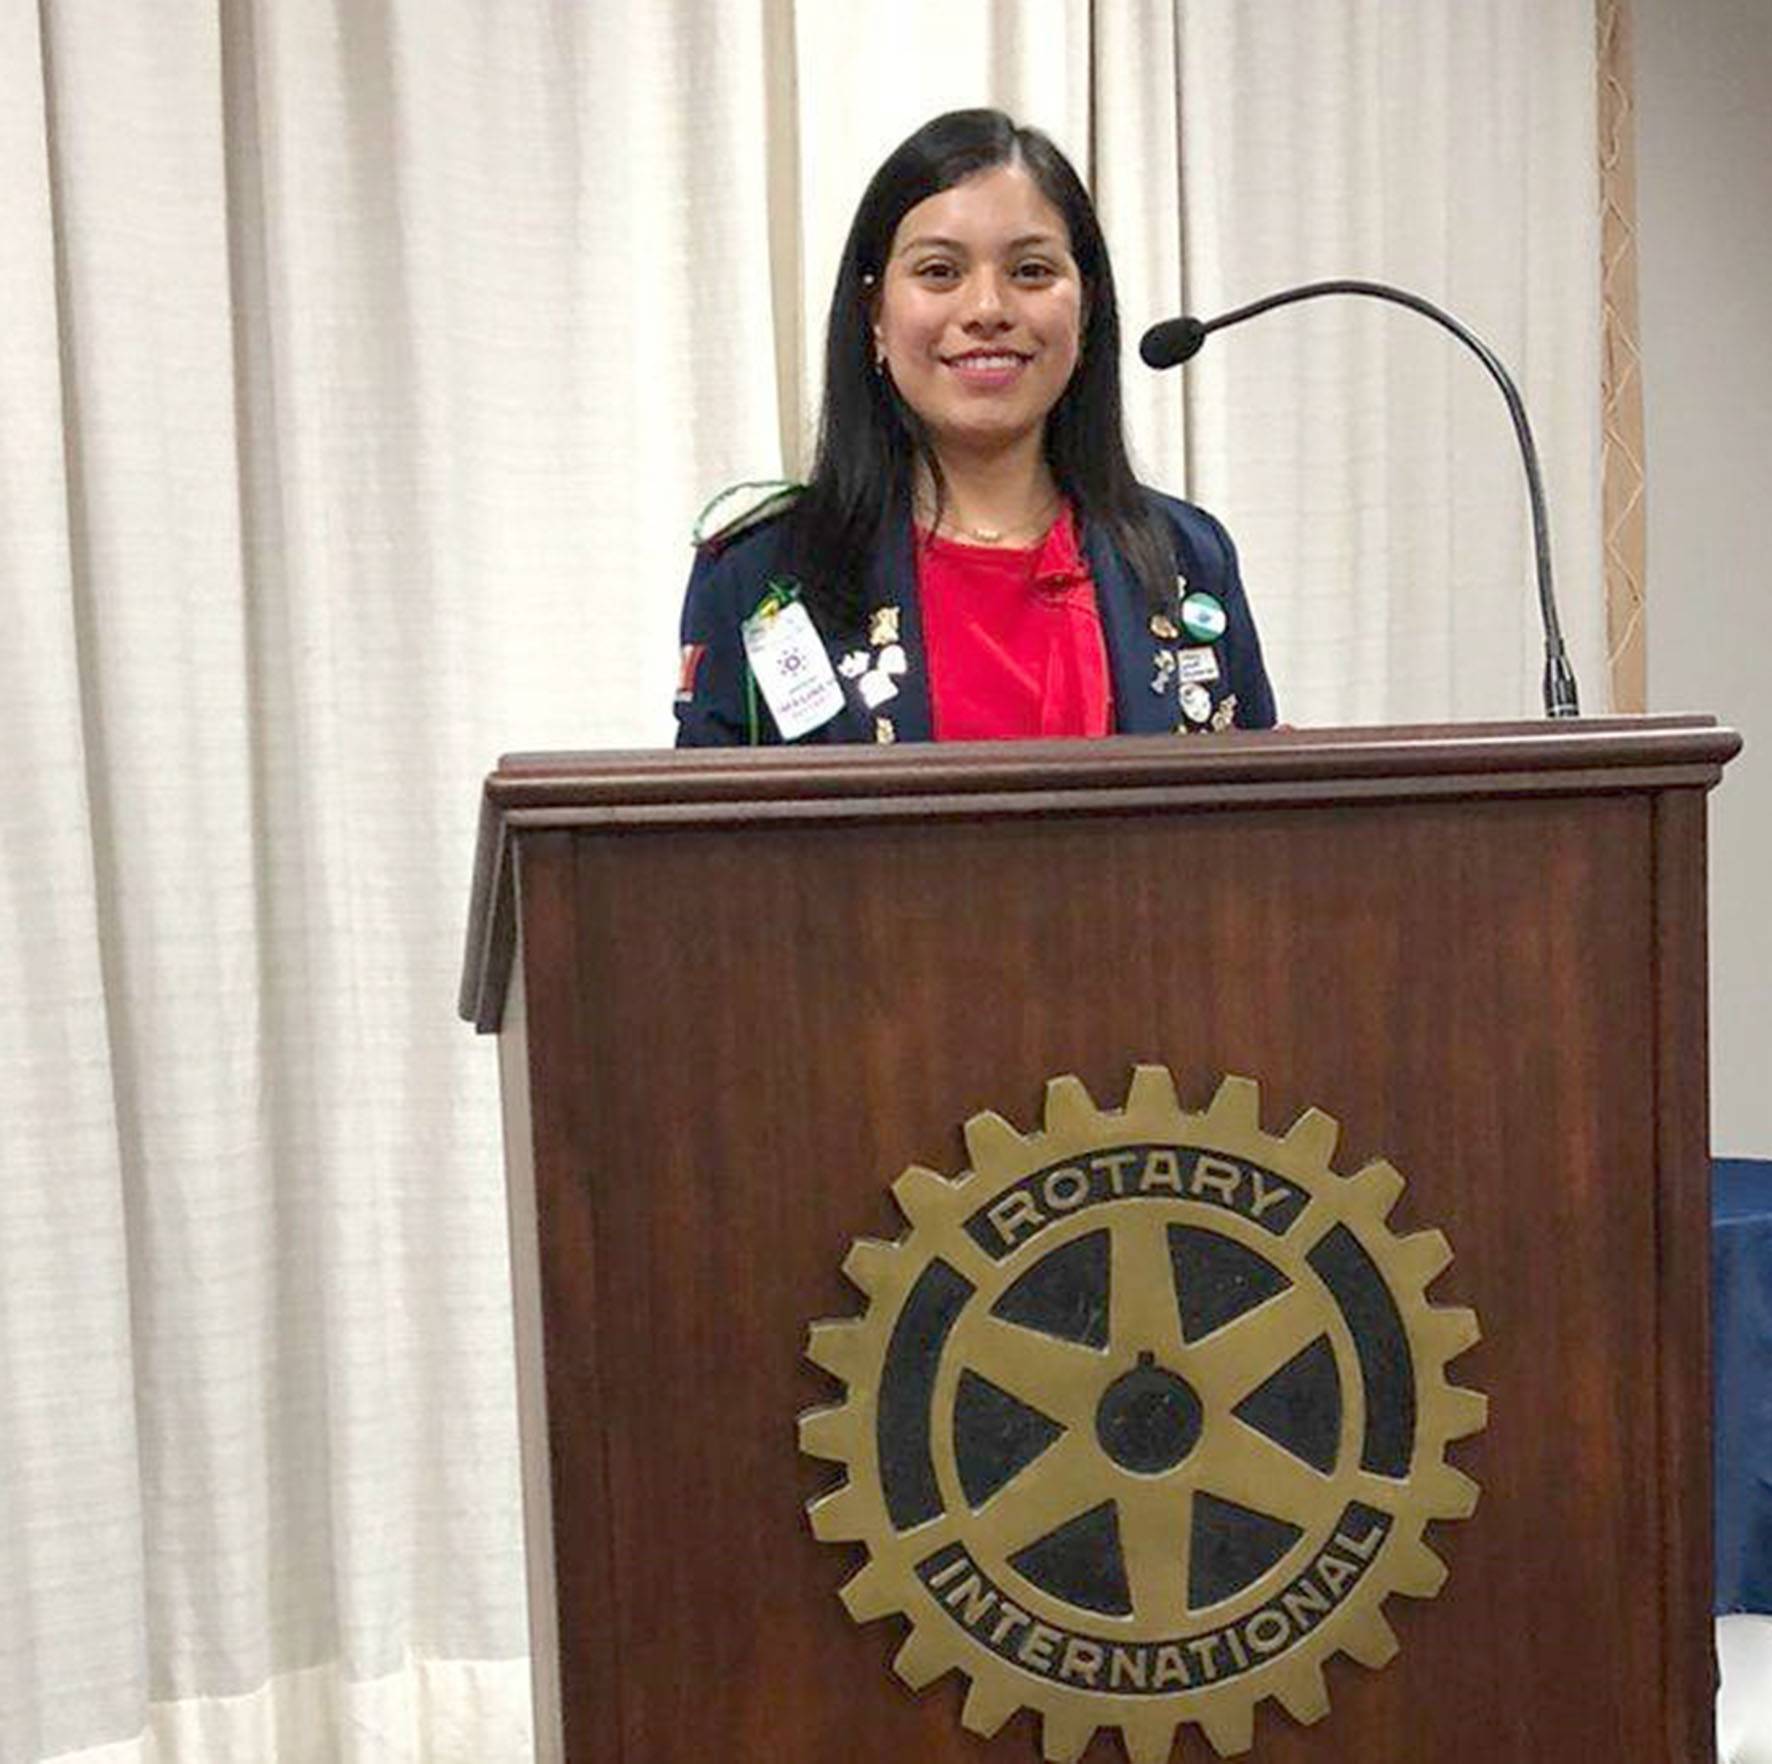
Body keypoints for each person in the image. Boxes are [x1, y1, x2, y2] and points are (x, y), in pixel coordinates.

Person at [673, 107, 1274, 747]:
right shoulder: (763, 571)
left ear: (1086, 308)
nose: (987, 309)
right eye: (939, 272)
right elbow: (711, 812)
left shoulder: (1189, 556)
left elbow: (1256, 805)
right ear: (874, 314)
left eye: (1031, 271)